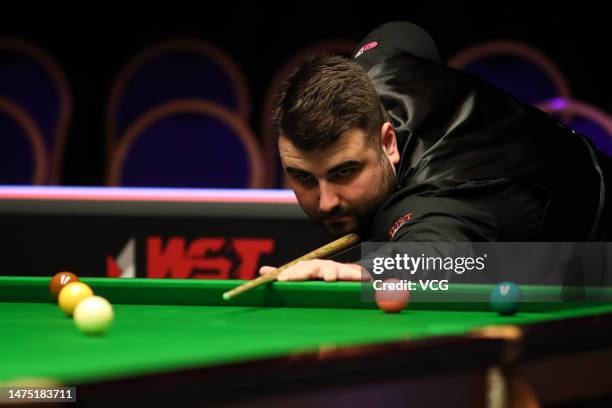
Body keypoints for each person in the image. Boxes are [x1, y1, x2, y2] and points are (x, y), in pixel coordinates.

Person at [259, 21, 609, 282]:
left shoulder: (434, 199)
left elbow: (438, 255)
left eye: (344, 172)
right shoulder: (378, 68)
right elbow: (403, 32)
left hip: (595, 251)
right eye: (303, 177)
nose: (325, 202)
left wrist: (364, 272)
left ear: (387, 143)